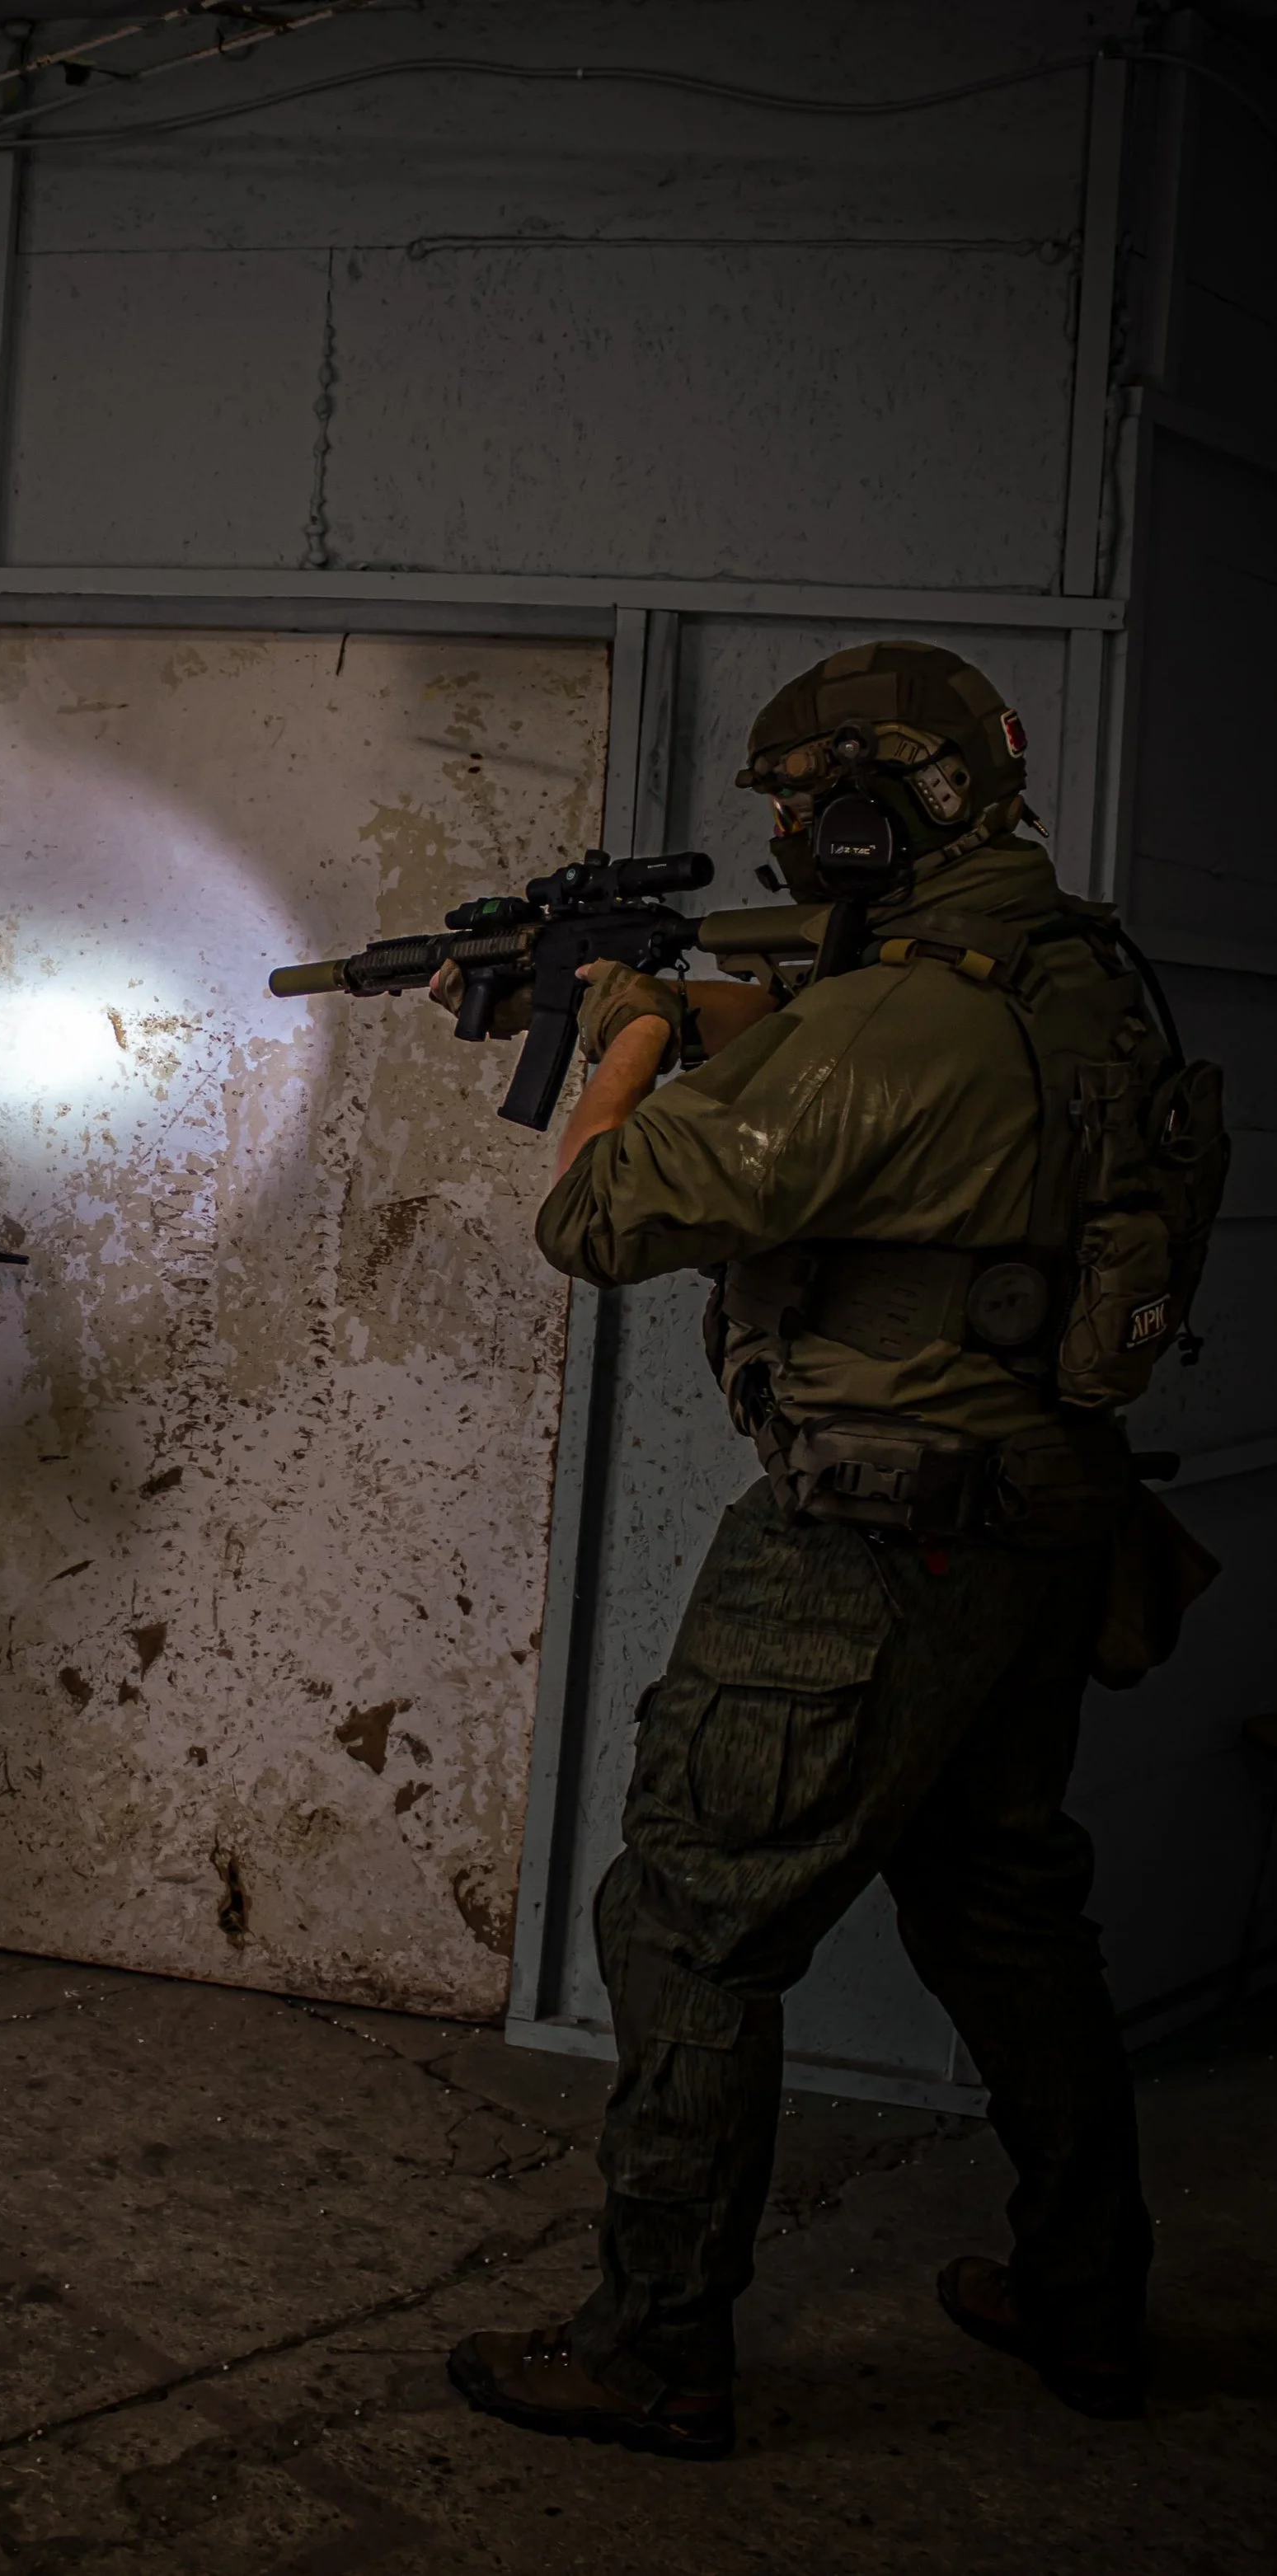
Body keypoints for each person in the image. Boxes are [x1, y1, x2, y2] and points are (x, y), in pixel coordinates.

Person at [441, 642, 1223, 2458]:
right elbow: (928, 1122)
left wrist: (629, 1032)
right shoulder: (1065, 971)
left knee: (686, 1916)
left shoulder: (896, 1017)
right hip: (1039, 1515)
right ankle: (1081, 2296)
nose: (790, 836)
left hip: (875, 1531)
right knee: (1005, 1909)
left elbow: (604, 1213)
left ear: (891, 801)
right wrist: (734, 1020)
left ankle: (652, 2350)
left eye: (808, 802)